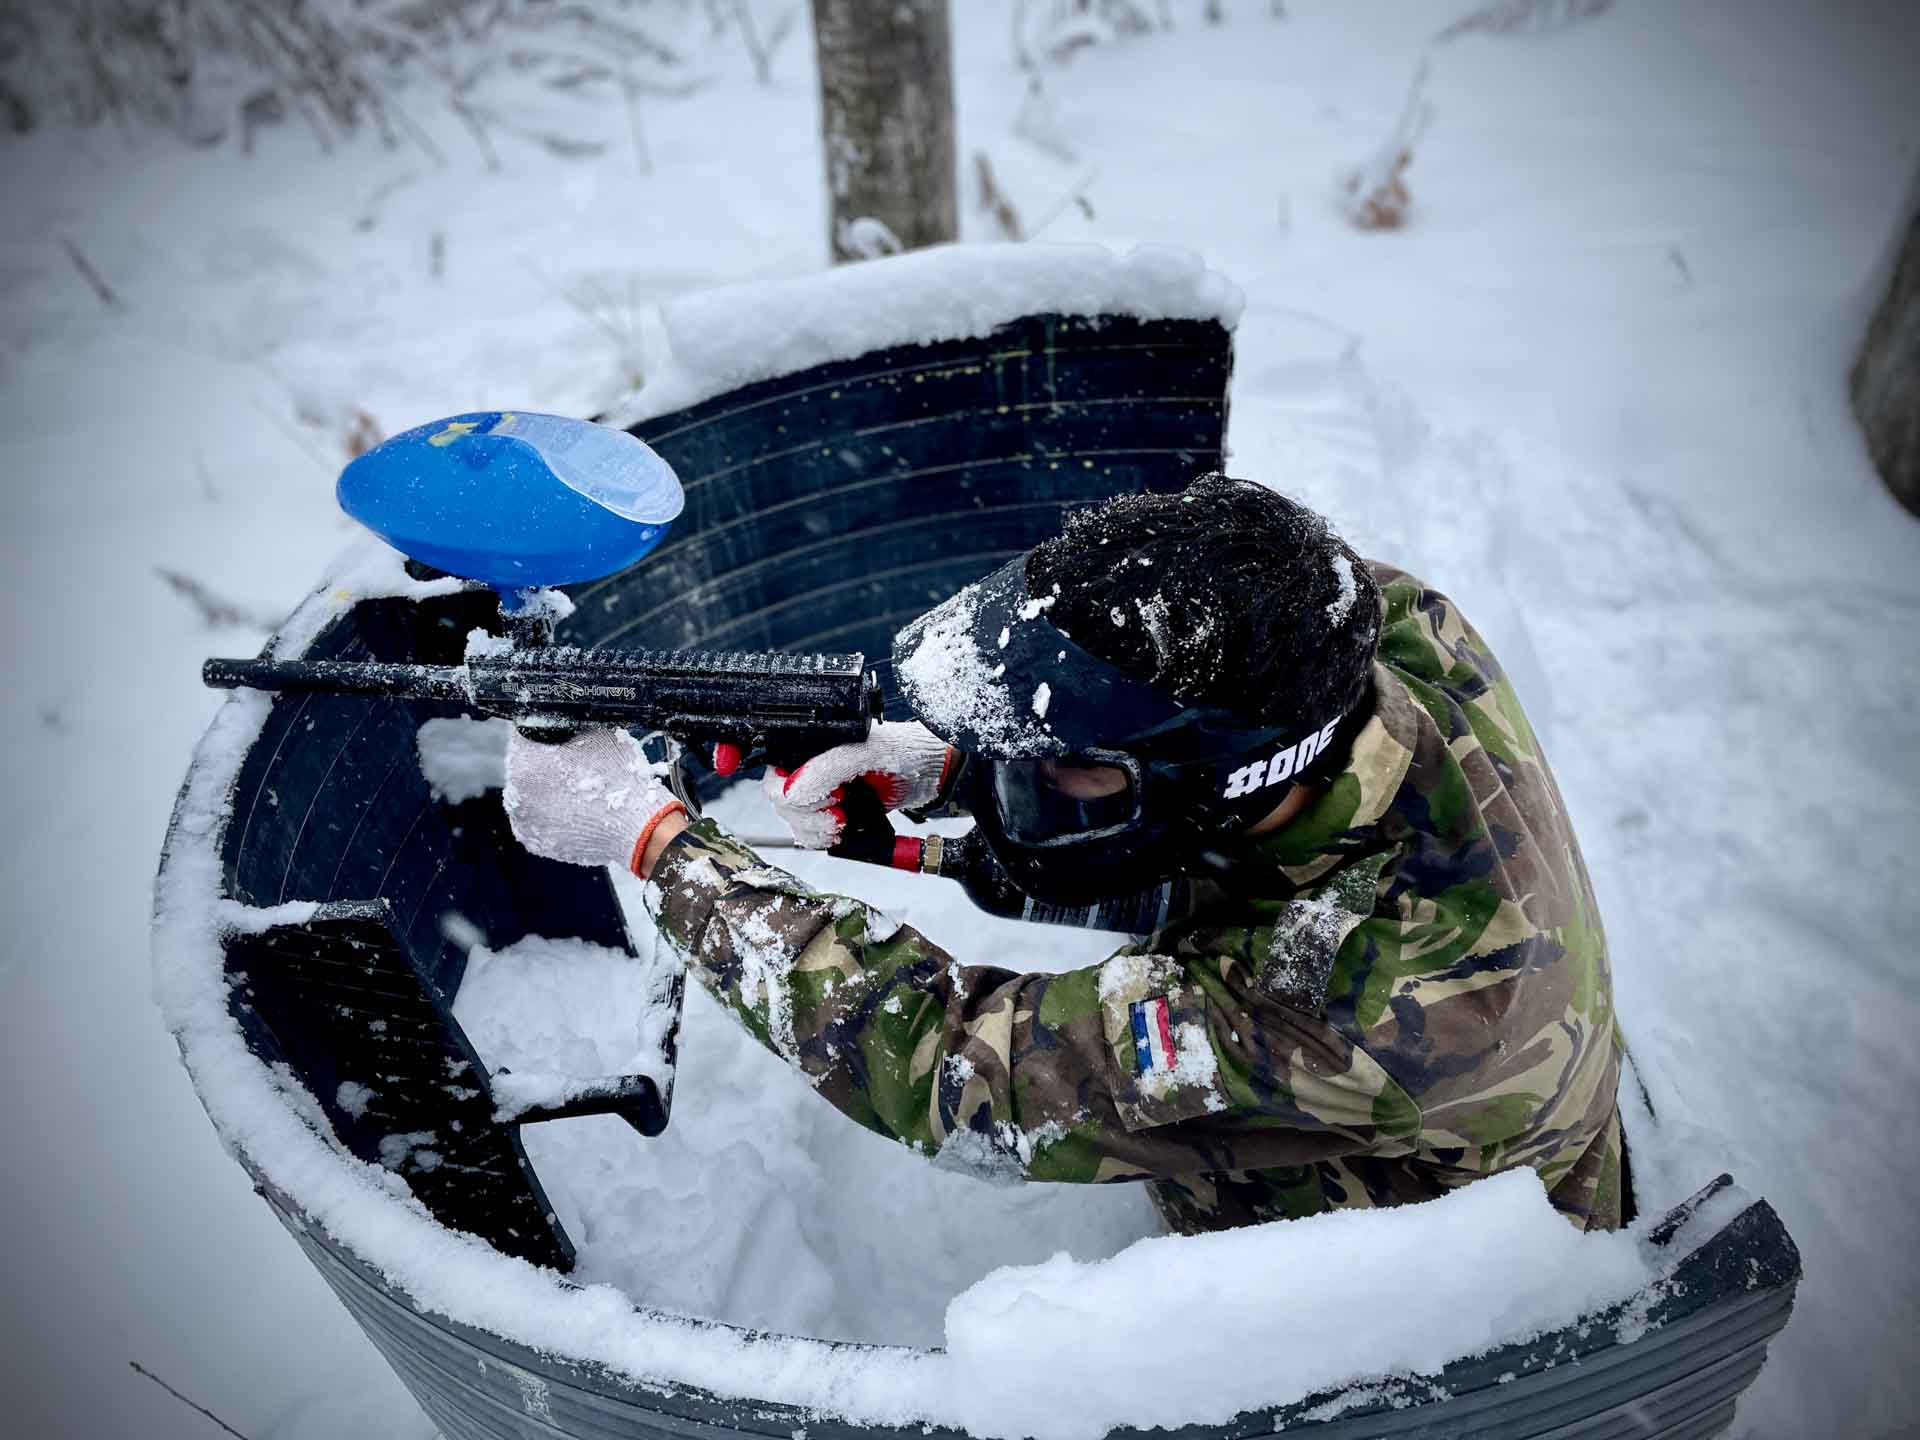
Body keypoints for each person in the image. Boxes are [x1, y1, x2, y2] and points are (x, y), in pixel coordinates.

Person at [503, 475, 1624, 1233]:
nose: (1033, 773)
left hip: (1445, 1299)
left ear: (1232, 783)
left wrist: (654, 844)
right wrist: (948, 776)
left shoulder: (1360, 1004)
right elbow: (1200, 820)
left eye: (1070, 768)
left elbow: (949, 1071)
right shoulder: (1366, 626)